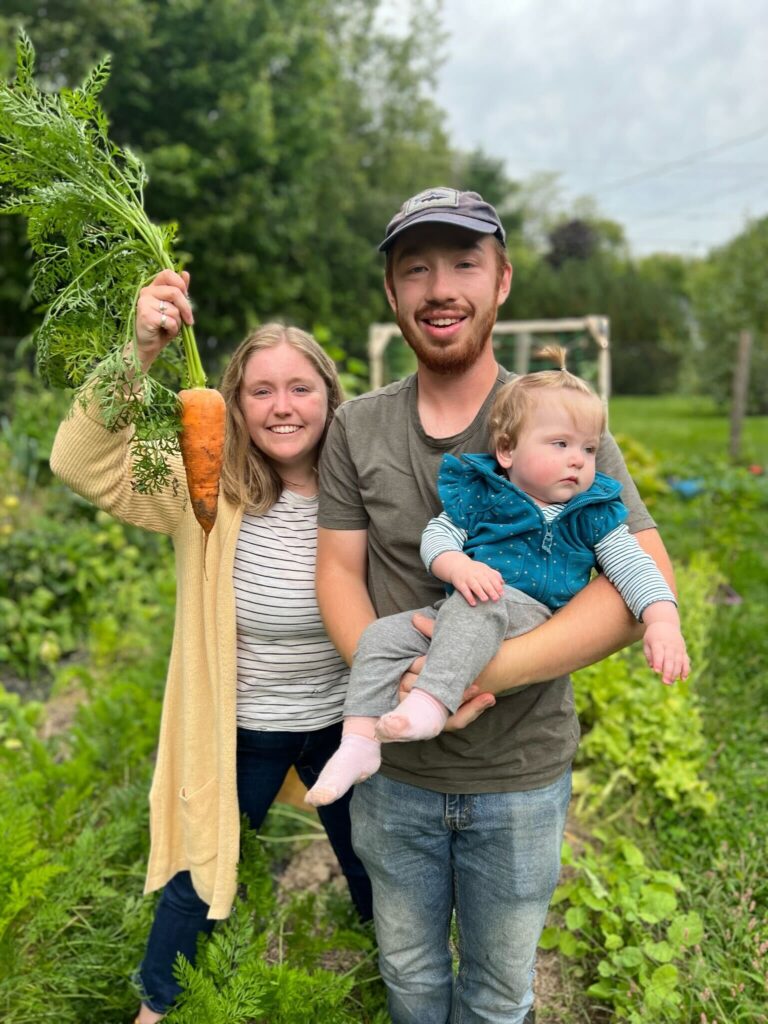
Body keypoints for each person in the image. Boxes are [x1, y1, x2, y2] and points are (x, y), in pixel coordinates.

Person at [314, 186, 679, 1024]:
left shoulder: (561, 421)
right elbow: (339, 571)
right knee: (407, 972)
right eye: (417, 269)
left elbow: (636, 585)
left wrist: (479, 677)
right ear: (392, 294)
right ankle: (359, 739)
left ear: (503, 280)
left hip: (518, 775)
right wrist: (392, 689)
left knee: (497, 992)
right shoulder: (357, 427)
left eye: (464, 263)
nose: (441, 287)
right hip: (394, 777)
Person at [49, 270, 372, 1024]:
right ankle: (157, 1005)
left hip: (344, 721)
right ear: (233, 401)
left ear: (331, 396)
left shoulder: (363, 488)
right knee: (198, 871)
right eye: (261, 391)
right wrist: (137, 353)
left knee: (375, 862)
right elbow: (78, 462)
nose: (282, 407)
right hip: (243, 727)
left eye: (300, 388)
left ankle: (395, 975)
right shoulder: (207, 483)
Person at [306, 346, 689, 804]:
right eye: (561, 445)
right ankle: (359, 740)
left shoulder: (590, 513)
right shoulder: (485, 495)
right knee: (382, 638)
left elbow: (635, 567)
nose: (579, 461)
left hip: (524, 615)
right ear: (506, 450)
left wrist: (663, 620)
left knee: (480, 605)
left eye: (588, 449)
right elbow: (438, 537)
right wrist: (458, 565)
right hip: (461, 605)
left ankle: (430, 704)